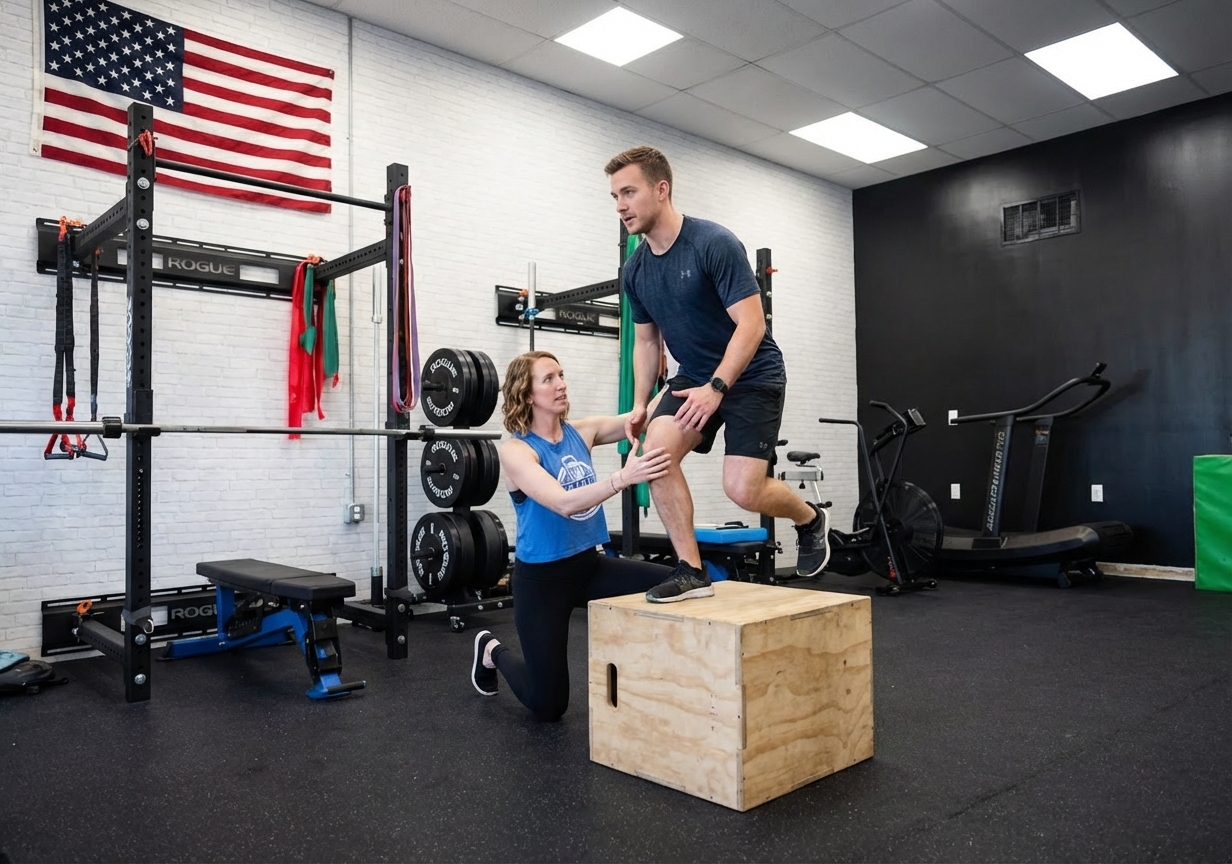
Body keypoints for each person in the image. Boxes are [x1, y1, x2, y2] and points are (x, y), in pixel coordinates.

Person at [605, 145, 830, 604]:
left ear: (661, 189)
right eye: (614, 196)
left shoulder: (712, 243)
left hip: (750, 375)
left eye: (629, 192)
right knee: (655, 451)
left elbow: (752, 325)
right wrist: (640, 403)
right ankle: (690, 570)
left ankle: (810, 519)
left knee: (742, 490)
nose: (620, 206)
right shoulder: (636, 270)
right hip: (695, 376)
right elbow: (648, 342)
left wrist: (717, 388)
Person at [469, 350, 673, 721]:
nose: (561, 384)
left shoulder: (582, 431)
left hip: (589, 568)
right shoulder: (516, 451)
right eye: (548, 378)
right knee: (549, 706)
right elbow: (563, 503)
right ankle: (491, 649)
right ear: (527, 394)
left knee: (678, 585)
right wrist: (622, 479)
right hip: (542, 582)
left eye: (561, 375)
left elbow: (637, 419)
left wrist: (678, 380)